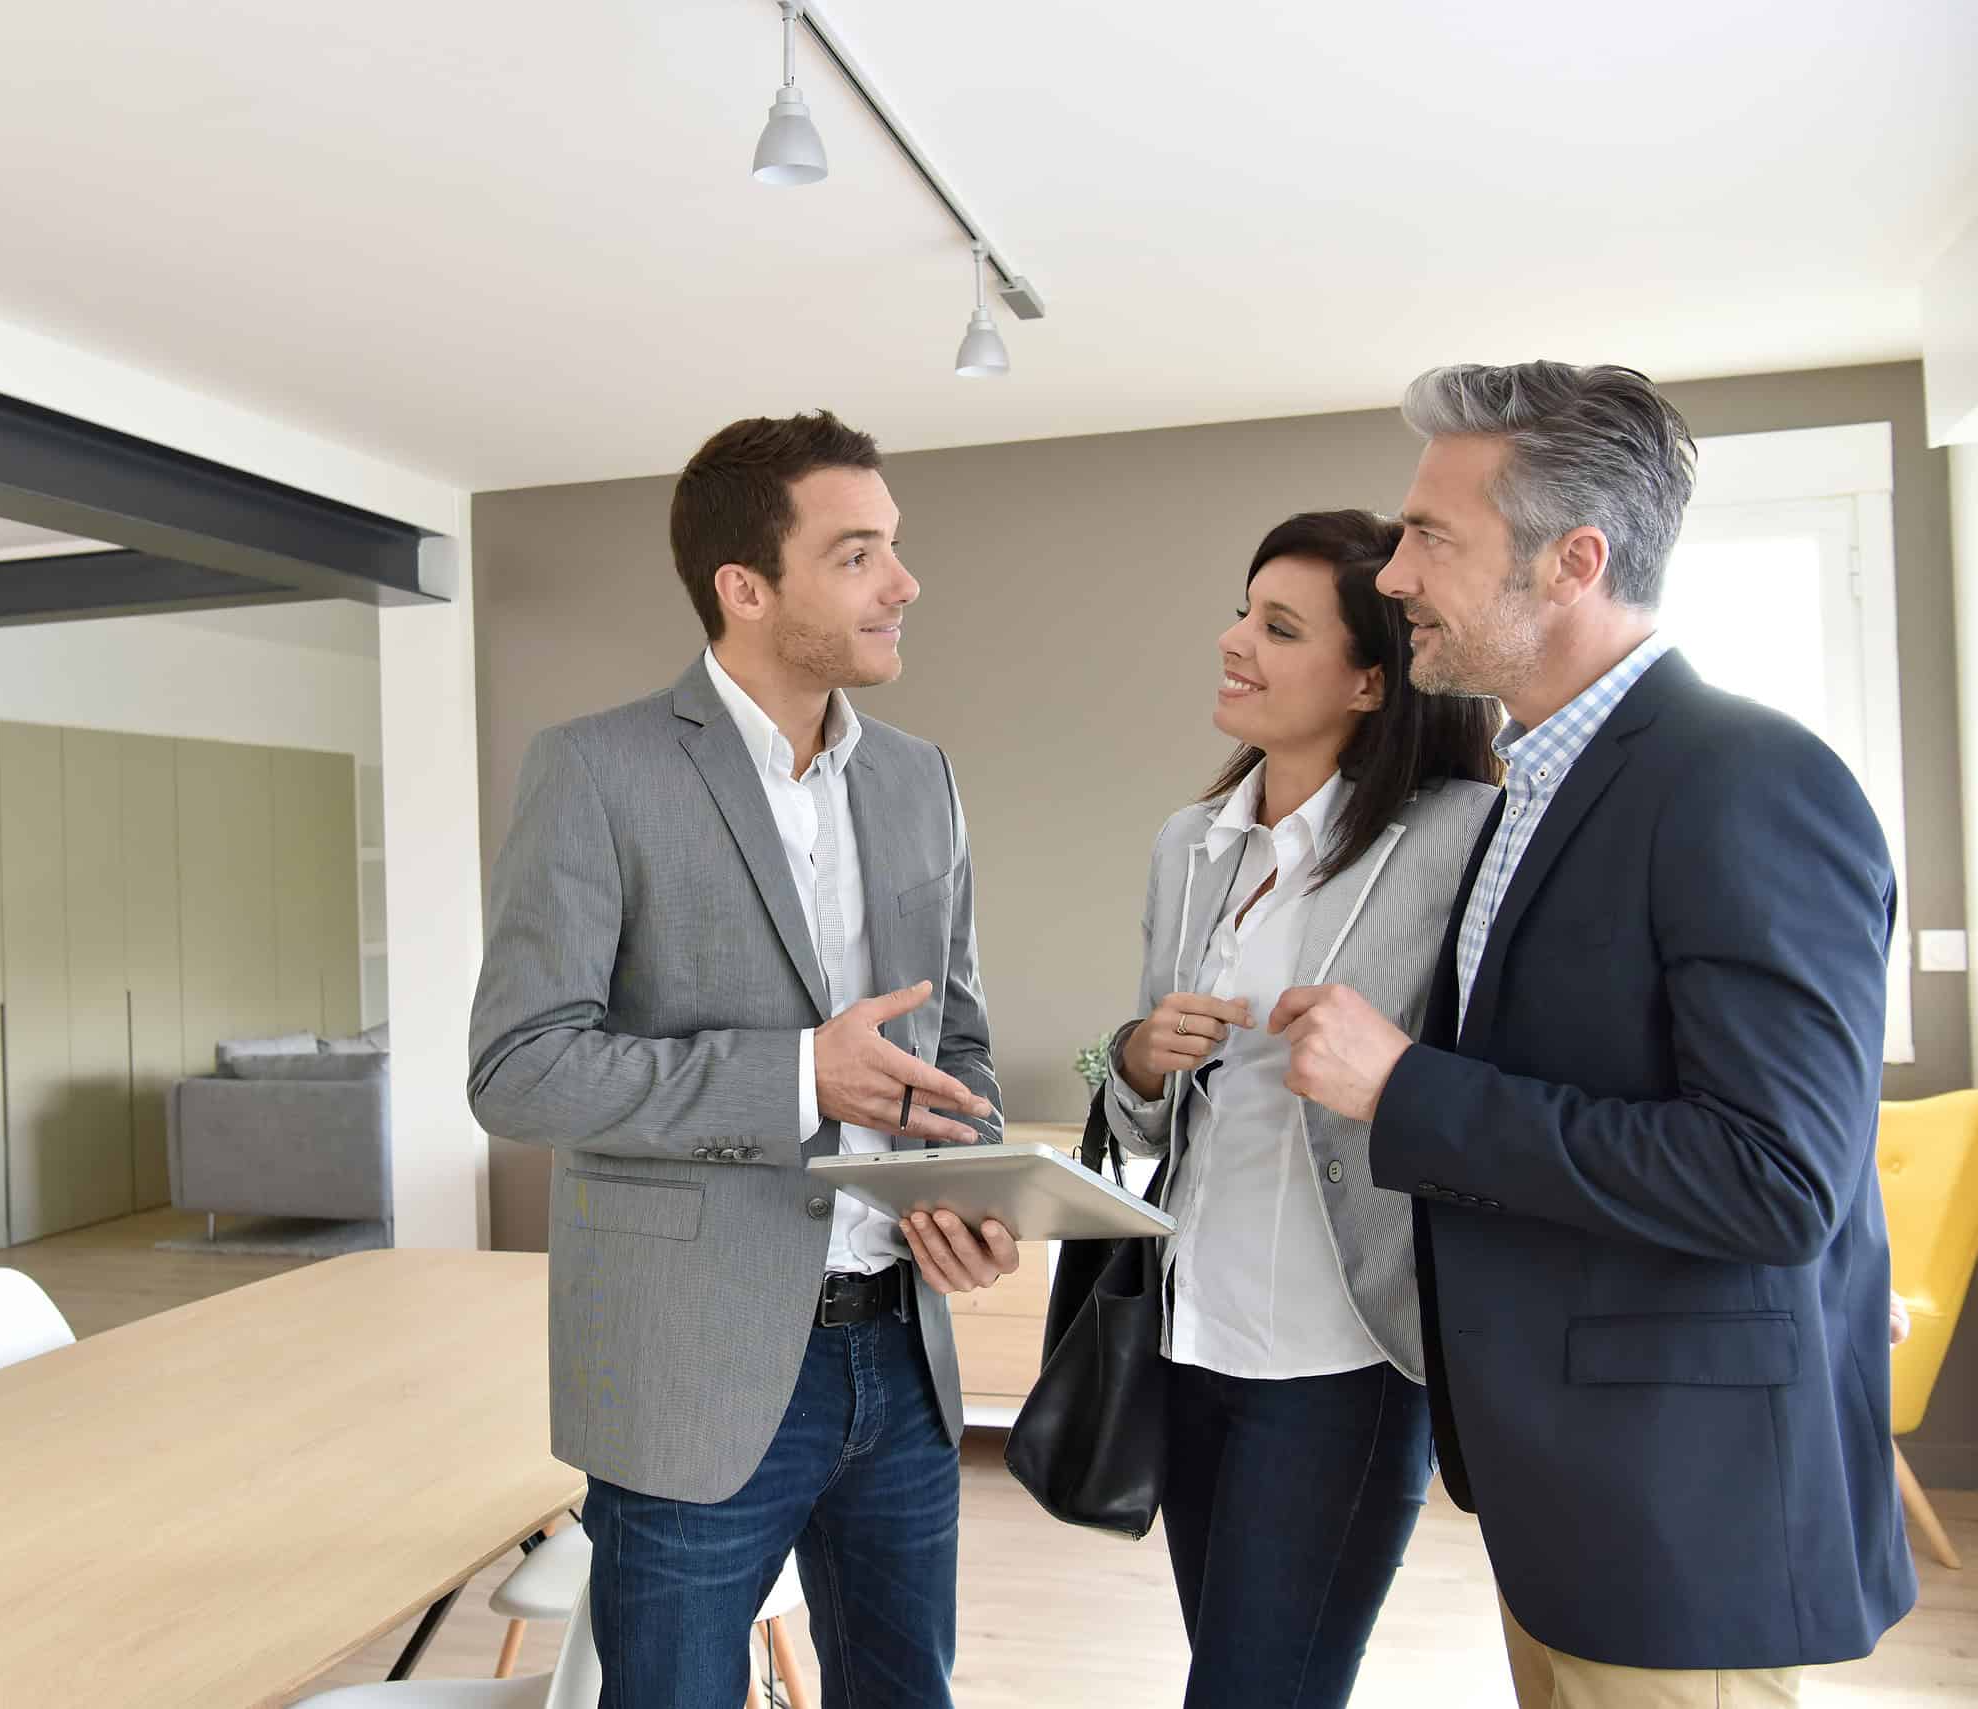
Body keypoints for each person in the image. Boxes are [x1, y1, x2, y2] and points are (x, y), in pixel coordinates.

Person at [1273, 361, 1916, 1705]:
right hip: (1570, 1489)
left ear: (1571, 561)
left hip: (1678, 1512)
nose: (1389, 575)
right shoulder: (1533, 784)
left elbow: (1772, 1178)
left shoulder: (1744, 779)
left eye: (1428, 538)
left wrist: (1404, 1090)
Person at [469, 410, 1015, 1708]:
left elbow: (961, 1043)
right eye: (858, 553)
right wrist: (791, 1079)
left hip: (899, 1356)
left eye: (895, 547)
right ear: (745, 588)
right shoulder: (595, 770)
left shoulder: (918, 780)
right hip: (689, 1370)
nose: (903, 582)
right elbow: (518, 1068)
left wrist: (968, 1188)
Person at [1102, 509, 1500, 1706]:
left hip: (1347, 1358)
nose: (1234, 641)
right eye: (1243, 610)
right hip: (1190, 1338)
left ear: (1374, 678)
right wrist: (1131, 1060)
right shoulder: (1191, 844)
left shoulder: (1461, 838)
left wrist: (1383, 1069)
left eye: (1278, 627)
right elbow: (1128, 1110)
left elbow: (1503, 1088)